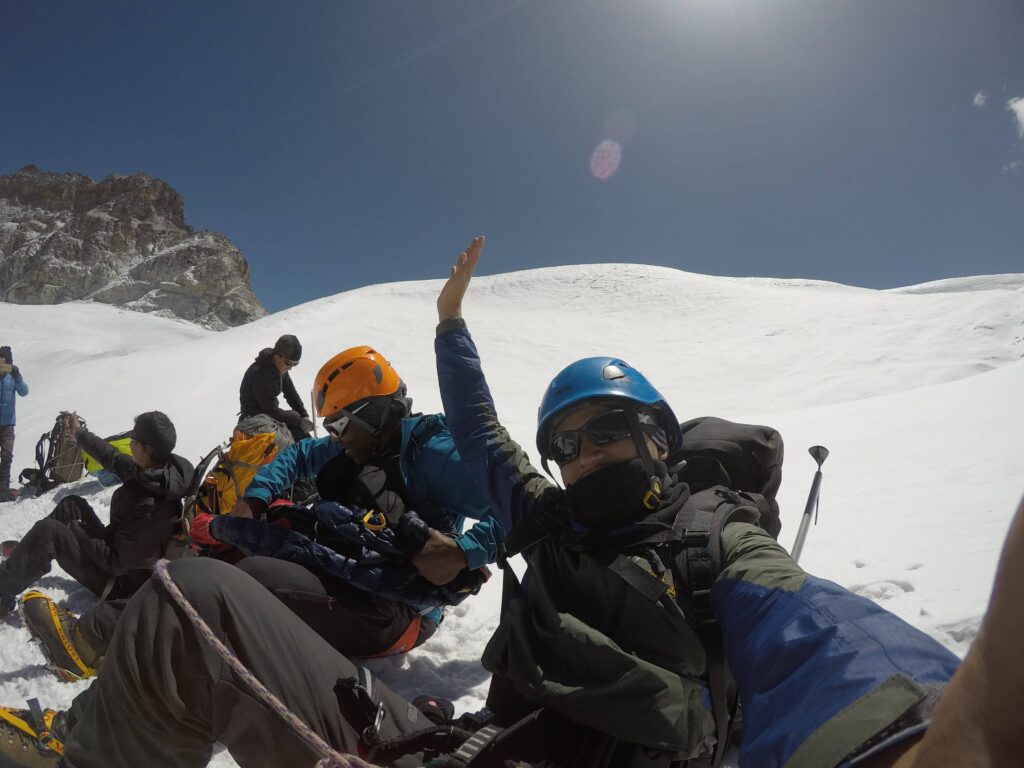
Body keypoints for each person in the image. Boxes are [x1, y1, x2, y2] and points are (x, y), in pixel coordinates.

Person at [0, 240, 1020, 767]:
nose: (583, 453)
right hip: (468, 746)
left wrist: (916, 738)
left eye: (608, 429)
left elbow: (814, 635)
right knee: (193, 595)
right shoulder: (554, 519)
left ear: (659, 438)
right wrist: (450, 326)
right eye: (567, 442)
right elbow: (486, 434)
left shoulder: (714, 542)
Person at [209, 344, 502, 657]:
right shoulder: (365, 443)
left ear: (374, 414)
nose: (333, 437)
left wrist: (463, 552)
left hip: (401, 610)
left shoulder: (433, 455)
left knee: (253, 580)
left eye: (338, 426)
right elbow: (300, 454)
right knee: (242, 558)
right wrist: (256, 498)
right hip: (359, 571)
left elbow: (518, 508)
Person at [0, 411, 193, 682]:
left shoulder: (149, 505)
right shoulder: (158, 473)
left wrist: (77, 531)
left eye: (133, 437)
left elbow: (116, 562)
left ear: (146, 449)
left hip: (118, 581)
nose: (129, 440)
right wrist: (79, 435)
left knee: (51, 532)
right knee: (72, 505)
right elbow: (114, 459)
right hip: (120, 558)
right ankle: (29, 555)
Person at [239, 334, 314, 443]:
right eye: (289, 363)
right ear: (278, 355)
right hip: (254, 422)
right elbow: (270, 410)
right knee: (295, 437)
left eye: (295, 364)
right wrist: (298, 420)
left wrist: (304, 415)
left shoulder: (280, 369)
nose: (290, 368)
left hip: (268, 420)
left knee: (302, 435)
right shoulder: (260, 373)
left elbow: (291, 394)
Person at [0, 345, 29, 503]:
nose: (2, 364)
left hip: (8, 425)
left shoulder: (13, 376)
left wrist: (17, 376)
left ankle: (3, 488)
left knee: (6, 456)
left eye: (5, 362)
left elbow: (24, 392)